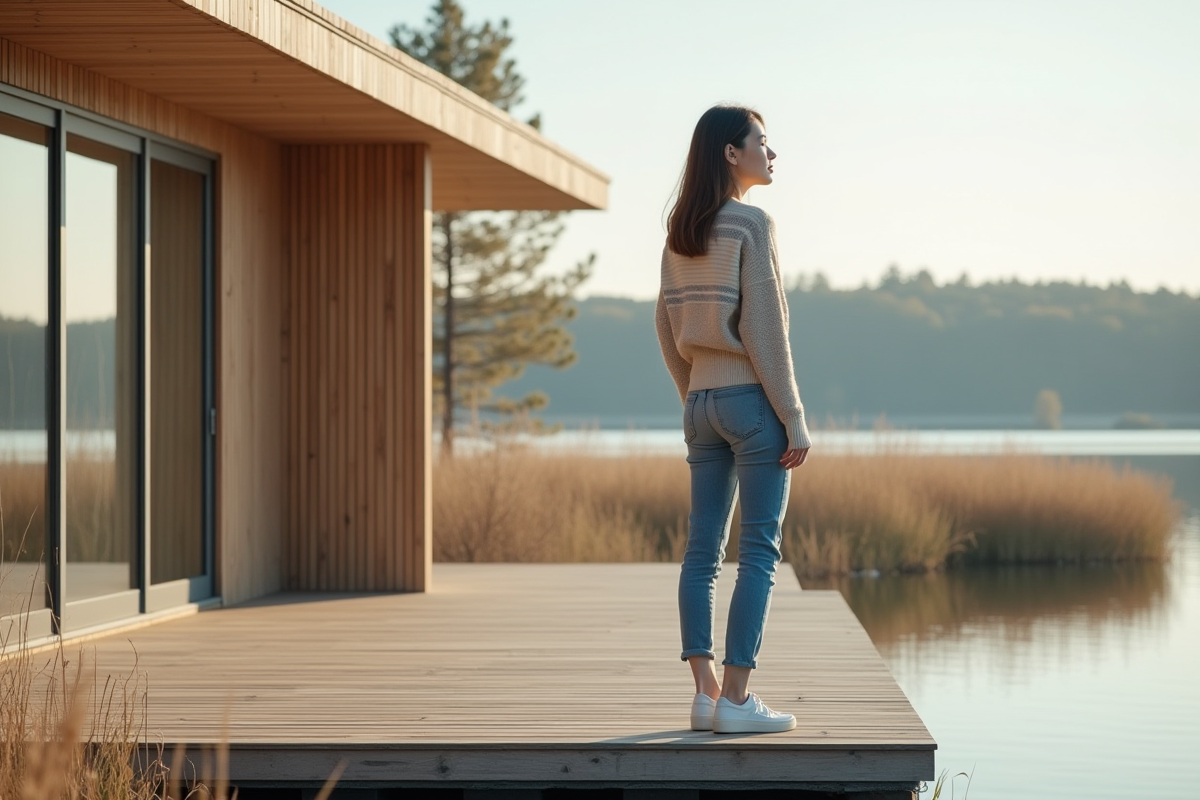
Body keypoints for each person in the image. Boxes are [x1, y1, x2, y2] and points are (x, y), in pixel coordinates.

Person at [655, 105, 811, 734]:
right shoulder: (751, 223)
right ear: (730, 152)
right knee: (758, 553)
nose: (772, 154)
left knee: (700, 552)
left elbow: (667, 327)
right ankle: (738, 703)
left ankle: (704, 695)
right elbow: (765, 330)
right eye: (762, 143)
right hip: (751, 402)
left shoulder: (679, 231)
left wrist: (694, 396)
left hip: (701, 406)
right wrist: (793, 416)